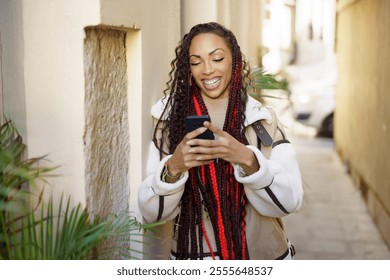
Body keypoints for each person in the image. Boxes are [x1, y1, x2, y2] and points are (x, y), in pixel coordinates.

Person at [138, 22, 303, 260]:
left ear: (234, 60)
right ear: (188, 68)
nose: (207, 70)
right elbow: (152, 213)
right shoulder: (168, 122)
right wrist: (174, 167)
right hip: (192, 255)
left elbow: (290, 202)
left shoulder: (261, 120)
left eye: (217, 58)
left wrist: (247, 159)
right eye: (196, 62)